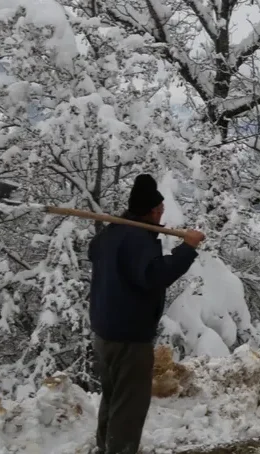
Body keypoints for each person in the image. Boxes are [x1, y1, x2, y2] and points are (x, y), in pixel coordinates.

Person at [88, 174, 205, 454]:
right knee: (130, 403)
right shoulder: (136, 238)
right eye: (160, 210)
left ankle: (106, 447)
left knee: (114, 396)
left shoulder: (111, 234)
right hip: (129, 336)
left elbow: (94, 251)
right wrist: (187, 249)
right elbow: (154, 275)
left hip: (104, 332)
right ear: (152, 211)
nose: (163, 214)